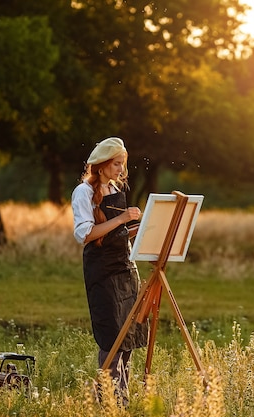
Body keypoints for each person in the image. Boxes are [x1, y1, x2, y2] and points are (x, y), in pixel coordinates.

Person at [71, 137, 148, 405]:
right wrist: (123, 218)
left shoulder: (114, 187)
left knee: (128, 333)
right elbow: (86, 234)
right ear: (102, 164)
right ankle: (107, 399)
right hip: (102, 270)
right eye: (116, 164)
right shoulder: (83, 192)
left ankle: (120, 398)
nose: (120, 170)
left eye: (122, 164)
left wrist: (143, 229)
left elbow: (117, 235)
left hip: (125, 268)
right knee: (112, 334)